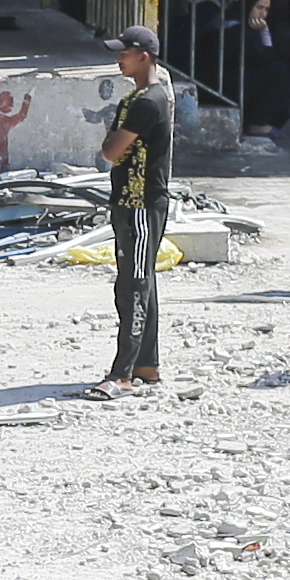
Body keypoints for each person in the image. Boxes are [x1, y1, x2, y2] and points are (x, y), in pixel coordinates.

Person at [97, 22, 173, 393]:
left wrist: (114, 143)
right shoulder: (134, 100)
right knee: (141, 283)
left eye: (124, 53)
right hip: (128, 202)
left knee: (133, 286)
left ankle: (121, 373)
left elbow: (111, 150)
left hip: (141, 205)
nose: (118, 59)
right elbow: (112, 147)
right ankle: (146, 364)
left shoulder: (147, 102)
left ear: (144, 58)